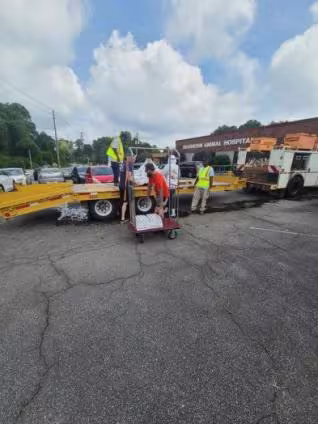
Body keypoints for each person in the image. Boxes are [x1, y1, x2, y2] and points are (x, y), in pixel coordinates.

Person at [119, 155, 133, 223]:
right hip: (125, 186)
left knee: (122, 201)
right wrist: (137, 182)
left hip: (121, 185)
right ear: (128, 158)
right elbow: (129, 177)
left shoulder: (122, 165)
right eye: (131, 157)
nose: (132, 159)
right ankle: (122, 219)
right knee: (125, 202)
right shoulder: (128, 165)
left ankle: (123, 216)